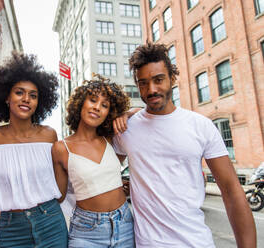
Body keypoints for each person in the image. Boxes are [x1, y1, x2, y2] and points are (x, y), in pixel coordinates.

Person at [112, 42, 256, 248]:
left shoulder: (201, 126)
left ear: (172, 78)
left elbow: (232, 191)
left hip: (196, 242)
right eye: (143, 83)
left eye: (158, 80)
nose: (151, 89)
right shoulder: (127, 128)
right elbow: (102, 174)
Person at [0, 52, 68, 248]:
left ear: (40, 102)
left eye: (33, 95)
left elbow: (60, 189)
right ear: (6, 97)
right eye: (19, 92)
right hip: (12, 229)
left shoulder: (48, 135)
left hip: (50, 221)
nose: (26, 99)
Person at [52, 75, 135, 248]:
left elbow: (144, 112)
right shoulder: (61, 148)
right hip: (87, 231)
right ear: (81, 103)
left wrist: (126, 114)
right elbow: (58, 196)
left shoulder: (111, 139)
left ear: (109, 113)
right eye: (92, 100)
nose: (97, 107)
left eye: (104, 105)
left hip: (124, 223)